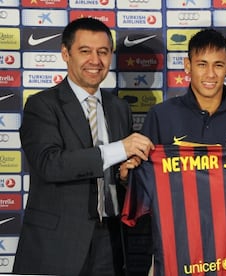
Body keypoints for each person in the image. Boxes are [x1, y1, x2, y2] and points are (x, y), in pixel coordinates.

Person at [123, 28, 226, 275]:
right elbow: (142, 182)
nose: (210, 74)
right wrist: (128, 177)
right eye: (202, 64)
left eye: (218, 65)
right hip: (176, 254)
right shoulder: (161, 116)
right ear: (187, 66)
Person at [13, 17, 154, 276]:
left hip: (112, 240)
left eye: (103, 52)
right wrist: (119, 149)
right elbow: (50, 164)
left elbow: (120, 174)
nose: (95, 60)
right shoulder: (42, 105)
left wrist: (125, 175)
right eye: (85, 51)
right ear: (65, 53)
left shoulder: (119, 108)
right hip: (58, 246)